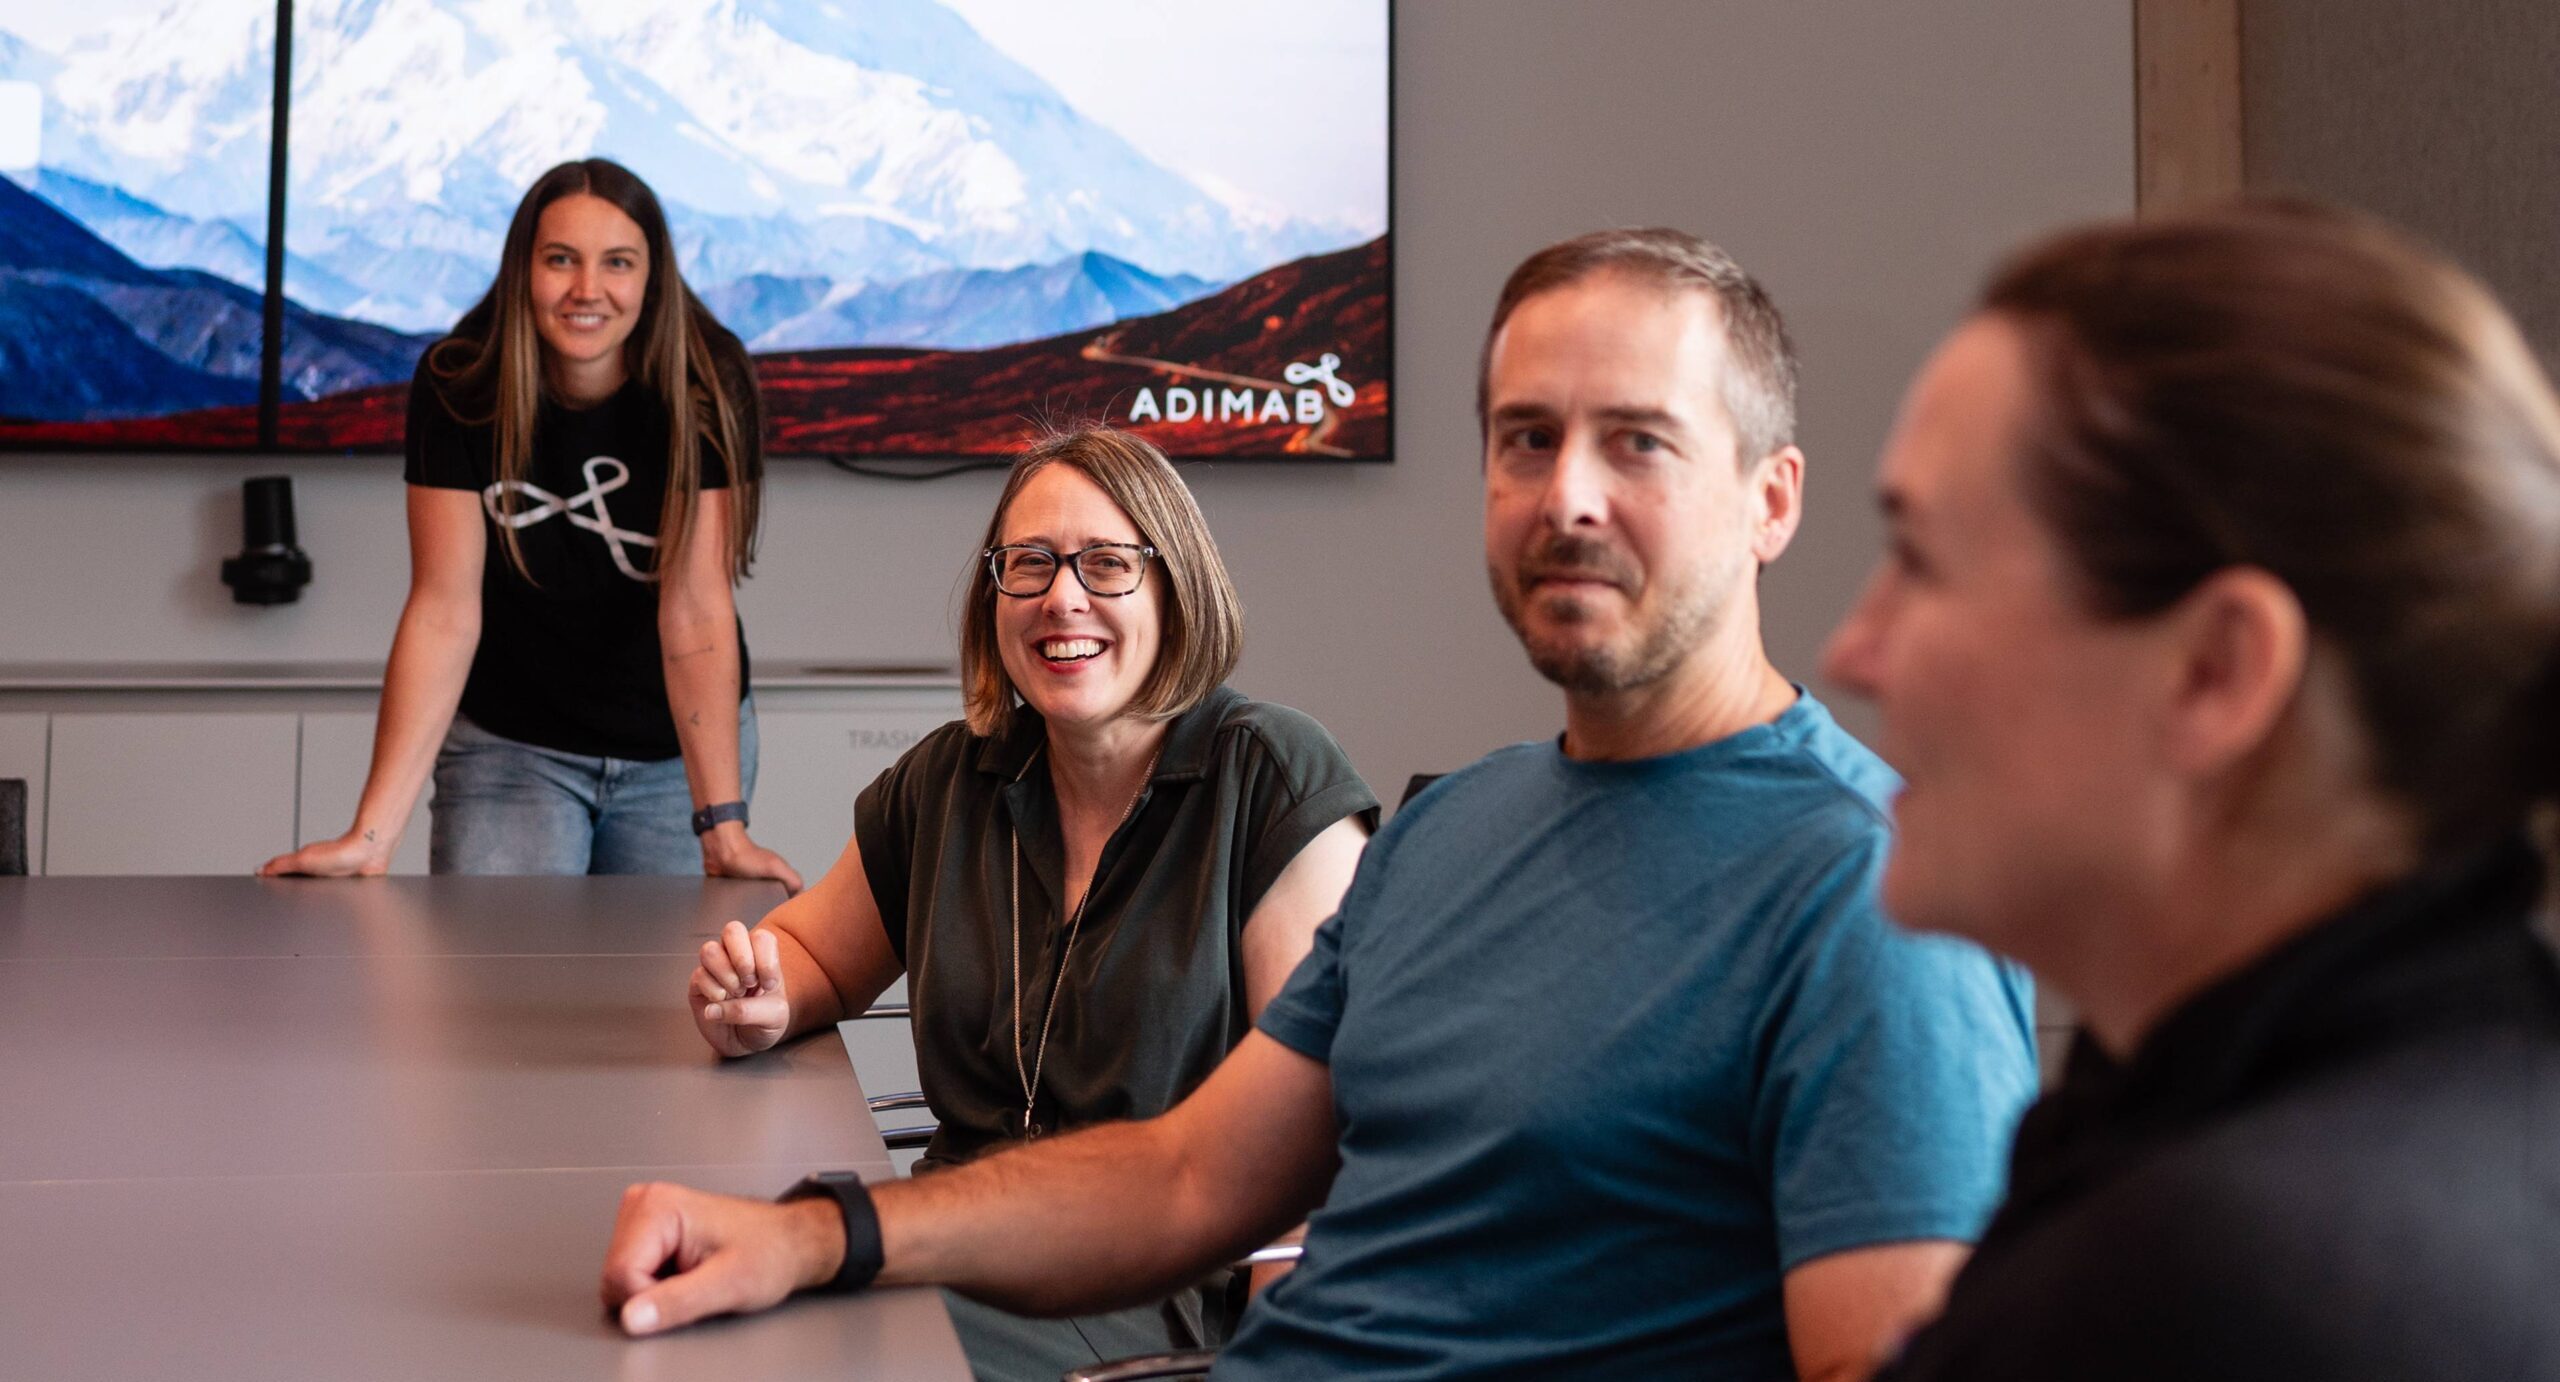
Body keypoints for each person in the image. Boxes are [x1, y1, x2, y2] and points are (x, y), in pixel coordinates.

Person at [601, 229, 2038, 1380]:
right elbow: (1179, 1183)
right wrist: (817, 1235)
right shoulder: (1454, 831)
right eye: (1526, 439)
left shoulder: (1878, 894)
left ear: (1773, 499)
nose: (1568, 496)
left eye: (1639, 441)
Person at [1820, 200, 2560, 1380]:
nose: (1850, 650)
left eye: (1917, 559)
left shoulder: (2223, 1289)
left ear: (2215, 670)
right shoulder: (2461, 1108)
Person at [684, 425, 1377, 1379]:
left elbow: (1321, 1153)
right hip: (959, 1238)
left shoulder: (1269, 779)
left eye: (1106, 563)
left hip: (1153, 1291)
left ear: (1176, 586)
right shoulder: (951, 777)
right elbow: (819, 955)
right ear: (993, 592)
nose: (1063, 597)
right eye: (1031, 564)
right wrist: (762, 997)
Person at [260, 158, 798, 886]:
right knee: (492, 993)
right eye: (560, 261)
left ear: (652, 278)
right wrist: (370, 835)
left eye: (618, 263)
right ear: (524, 270)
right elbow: (443, 611)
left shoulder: (709, 381)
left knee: (662, 997)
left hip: (675, 755)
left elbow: (697, 610)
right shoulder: (462, 381)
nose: (587, 289)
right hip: (511, 748)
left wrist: (724, 829)